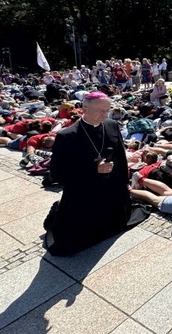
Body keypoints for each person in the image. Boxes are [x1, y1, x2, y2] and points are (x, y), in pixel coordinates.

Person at [44, 91, 149, 256]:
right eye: (100, 110)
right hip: (84, 192)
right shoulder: (67, 136)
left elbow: (120, 157)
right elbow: (58, 173)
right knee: (71, 241)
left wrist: (124, 182)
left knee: (117, 221)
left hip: (112, 187)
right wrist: (93, 169)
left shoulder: (111, 125)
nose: (105, 114)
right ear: (85, 108)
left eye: (107, 110)